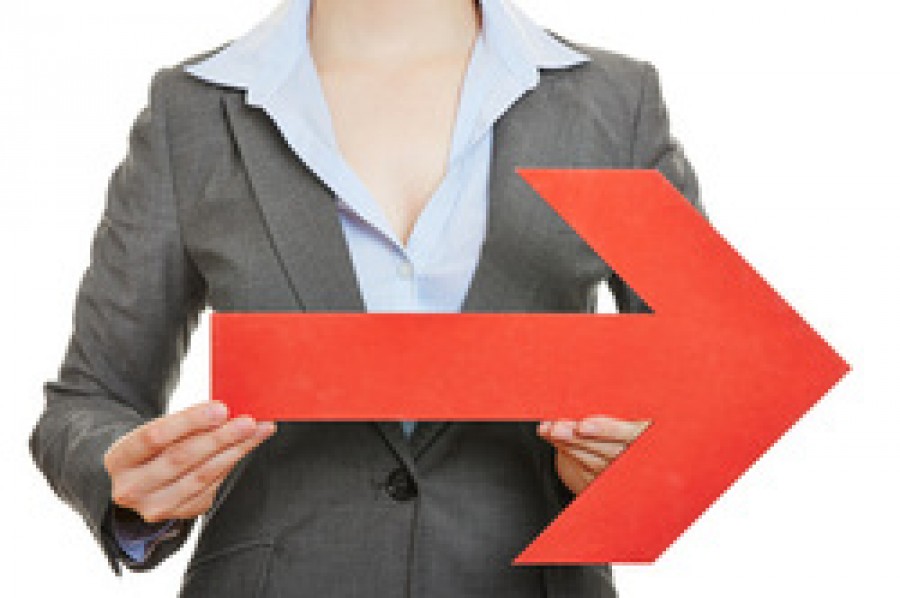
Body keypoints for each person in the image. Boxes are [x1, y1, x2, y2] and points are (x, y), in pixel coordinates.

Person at [29, 0, 705, 596]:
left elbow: (708, 380)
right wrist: (126, 478)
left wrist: (642, 471)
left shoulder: (613, 104)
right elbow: (90, 398)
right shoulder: (194, 112)